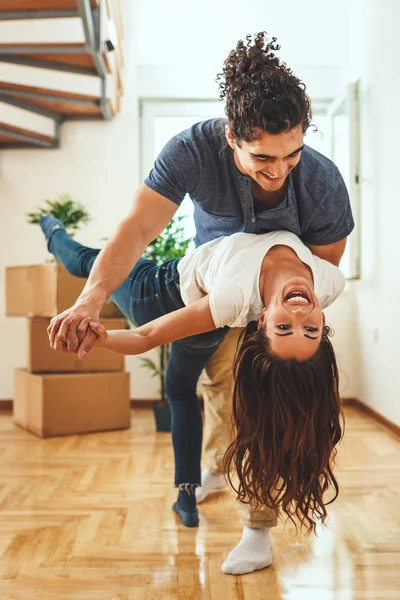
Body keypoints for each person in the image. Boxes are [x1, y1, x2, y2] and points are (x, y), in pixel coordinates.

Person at [45, 32, 354, 574]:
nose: (280, 170)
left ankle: (257, 527)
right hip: (210, 289)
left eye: (293, 154)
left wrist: (290, 331)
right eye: (262, 157)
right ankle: (216, 465)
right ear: (230, 138)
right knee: (211, 390)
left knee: (256, 404)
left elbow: (323, 272)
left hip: (258, 306)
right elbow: (137, 229)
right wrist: (90, 302)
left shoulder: (323, 183)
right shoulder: (190, 150)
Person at [41, 214, 344, 570]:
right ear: (323, 324)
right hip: (185, 298)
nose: (299, 315)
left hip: (155, 295)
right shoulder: (328, 282)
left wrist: (105, 339)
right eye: (308, 329)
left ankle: (52, 231)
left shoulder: (233, 298)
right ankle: (53, 232)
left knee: (93, 262)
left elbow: (147, 336)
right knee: (88, 261)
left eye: (284, 327)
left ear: (260, 322)